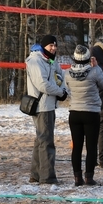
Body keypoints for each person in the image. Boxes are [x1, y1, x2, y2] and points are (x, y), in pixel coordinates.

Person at [26, 35, 68, 184]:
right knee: (46, 141)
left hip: (49, 105)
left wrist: (63, 89)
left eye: (55, 45)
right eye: (51, 45)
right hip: (42, 106)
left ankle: (36, 175)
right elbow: (42, 84)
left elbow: (62, 75)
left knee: (41, 140)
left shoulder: (50, 60)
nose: (54, 48)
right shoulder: (35, 61)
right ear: (43, 46)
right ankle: (47, 177)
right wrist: (60, 92)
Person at [65, 45, 103, 186]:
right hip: (91, 112)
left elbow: (67, 89)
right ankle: (89, 177)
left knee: (76, 147)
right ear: (89, 58)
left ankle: (77, 178)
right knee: (91, 146)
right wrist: (96, 67)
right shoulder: (94, 72)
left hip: (75, 112)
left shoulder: (67, 73)